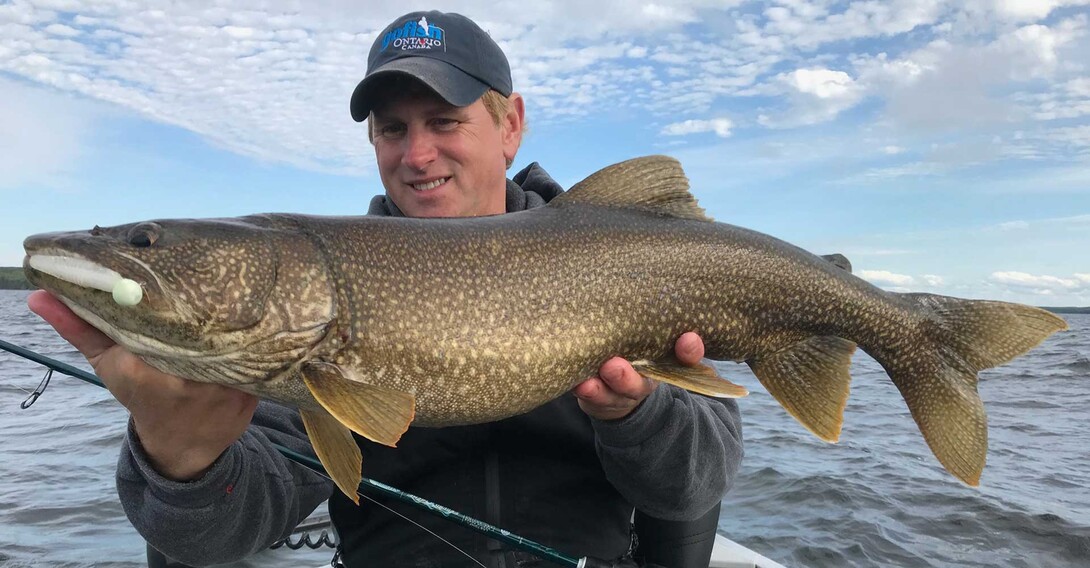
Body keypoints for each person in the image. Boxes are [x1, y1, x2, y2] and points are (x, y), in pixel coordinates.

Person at [28, 10, 743, 568]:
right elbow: (219, 536)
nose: (417, 154)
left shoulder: (624, 257)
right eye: (392, 129)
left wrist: (637, 417)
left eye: (444, 121)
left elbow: (695, 486)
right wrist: (182, 459)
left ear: (511, 126)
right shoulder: (302, 326)